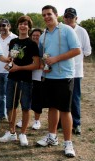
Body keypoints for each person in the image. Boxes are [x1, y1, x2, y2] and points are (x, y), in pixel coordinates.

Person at [36, 5, 81, 158]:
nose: (46, 17)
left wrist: (56, 59)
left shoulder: (67, 30)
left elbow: (77, 50)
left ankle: (68, 143)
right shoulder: (43, 36)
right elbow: (44, 56)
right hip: (49, 77)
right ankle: (52, 137)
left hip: (65, 76)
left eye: (49, 14)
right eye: (44, 15)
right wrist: (45, 65)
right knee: (52, 108)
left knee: (65, 110)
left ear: (56, 15)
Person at [0, 16, 39, 146]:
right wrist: (9, 64)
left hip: (26, 80)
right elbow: (11, 58)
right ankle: (12, 132)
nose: (23, 26)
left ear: (29, 27)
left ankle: (23, 134)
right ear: (17, 26)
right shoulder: (14, 41)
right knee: (11, 106)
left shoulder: (32, 44)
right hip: (12, 79)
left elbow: (36, 64)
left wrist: (19, 68)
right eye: (21, 23)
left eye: (25, 24)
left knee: (25, 107)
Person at [63, 7, 92, 136]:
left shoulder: (82, 31)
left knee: (74, 98)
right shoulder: (60, 30)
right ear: (63, 18)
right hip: (61, 71)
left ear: (76, 18)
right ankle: (60, 122)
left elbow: (87, 51)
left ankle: (76, 123)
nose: (69, 19)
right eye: (67, 17)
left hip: (75, 72)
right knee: (61, 98)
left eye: (71, 17)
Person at [16, 28, 43, 130]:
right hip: (27, 76)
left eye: (38, 35)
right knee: (24, 100)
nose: (35, 37)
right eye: (34, 35)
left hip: (38, 77)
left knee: (37, 100)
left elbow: (42, 64)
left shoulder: (43, 47)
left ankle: (37, 120)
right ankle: (24, 119)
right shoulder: (28, 46)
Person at [0, 18, 18, 121]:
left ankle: (10, 115)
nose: (2, 28)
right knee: (1, 95)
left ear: (9, 26)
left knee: (10, 95)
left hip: (10, 71)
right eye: (0, 26)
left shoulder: (15, 38)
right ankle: (1, 114)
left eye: (4, 25)